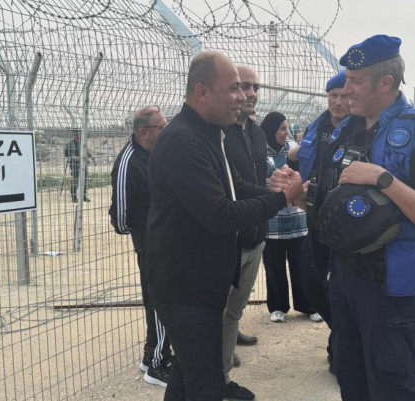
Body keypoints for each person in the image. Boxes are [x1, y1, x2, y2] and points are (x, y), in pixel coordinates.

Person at [273, 34, 415, 400]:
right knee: (351, 379)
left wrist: (383, 180)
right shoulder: (346, 131)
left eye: (354, 82)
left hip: (392, 286)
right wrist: (300, 190)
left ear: (385, 82)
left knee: (393, 387)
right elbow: (336, 204)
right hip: (344, 278)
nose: (345, 90)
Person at [146, 51, 303, 401]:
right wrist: (281, 199)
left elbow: (237, 187)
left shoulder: (208, 134)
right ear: (202, 92)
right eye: (233, 88)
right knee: (206, 384)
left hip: (200, 282)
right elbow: (220, 214)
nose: (243, 96)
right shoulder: (183, 141)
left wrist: (275, 188)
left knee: (188, 373)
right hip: (186, 287)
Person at [289, 69, 350, 374]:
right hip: (315, 215)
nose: (338, 102)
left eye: (343, 96)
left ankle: (341, 348)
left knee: (342, 287)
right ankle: (340, 332)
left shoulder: (361, 128)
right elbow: (301, 159)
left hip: (348, 222)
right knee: (311, 283)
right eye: (332, 96)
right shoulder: (317, 126)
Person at [109, 106, 172, 387]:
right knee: (161, 302)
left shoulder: (158, 154)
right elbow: (120, 216)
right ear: (144, 132)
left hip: (166, 239)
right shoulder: (128, 161)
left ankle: (151, 356)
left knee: (162, 299)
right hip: (150, 244)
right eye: (162, 126)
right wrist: (141, 232)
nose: (166, 129)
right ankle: (157, 365)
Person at [220, 65, 268, 398]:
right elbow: (233, 189)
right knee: (218, 310)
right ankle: (218, 378)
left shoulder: (257, 132)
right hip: (230, 239)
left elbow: (259, 180)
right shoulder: (219, 134)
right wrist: (276, 196)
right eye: (243, 86)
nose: (250, 93)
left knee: (235, 310)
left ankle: (224, 355)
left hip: (257, 235)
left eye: (254, 87)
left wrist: (276, 186)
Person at [259, 111, 319, 323]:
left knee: (302, 266)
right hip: (272, 222)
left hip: (296, 219)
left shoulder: (293, 150)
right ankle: (277, 306)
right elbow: (268, 179)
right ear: (271, 129)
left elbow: (297, 176)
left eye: (287, 128)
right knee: (274, 267)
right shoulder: (259, 151)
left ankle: (308, 305)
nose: (285, 133)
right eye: (281, 128)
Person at [64, 130, 92, 203]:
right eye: (76, 135)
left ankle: (83, 196)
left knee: (84, 180)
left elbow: (87, 152)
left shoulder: (82, 143)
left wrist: (89, 155)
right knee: (75, 181)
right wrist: (76, 157)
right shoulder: (70, 144)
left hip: (83, 165)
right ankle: (74, 197)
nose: (78, 136)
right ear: (74, 135)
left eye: (79, 135)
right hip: (75, 165)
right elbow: (66, 154)